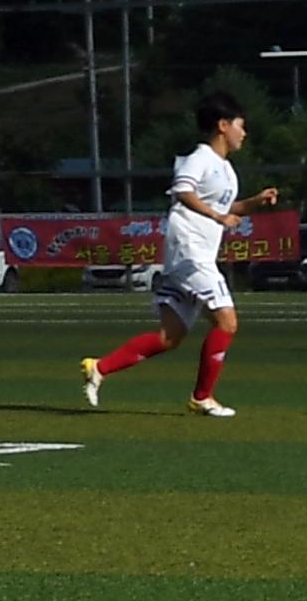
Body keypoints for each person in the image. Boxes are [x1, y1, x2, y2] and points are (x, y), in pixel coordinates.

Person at [82, 89, 280, 419]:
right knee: (227, 321)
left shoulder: (226, 169)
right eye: (240, 126)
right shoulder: (199, 158)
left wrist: (255, 202)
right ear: (222, 125)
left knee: (169, 337)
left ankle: (98, 368)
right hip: (190, 251)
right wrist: (217, 217)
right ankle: (203, 397)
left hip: (191, 256)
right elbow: (182, 191)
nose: (244, 133)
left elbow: (224, 207)